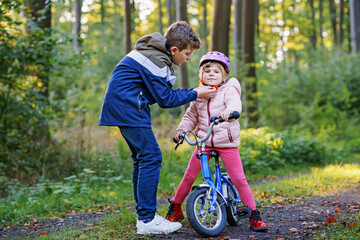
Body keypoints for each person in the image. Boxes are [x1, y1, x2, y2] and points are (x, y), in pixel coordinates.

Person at [99, 21, 216, 235]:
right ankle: (146, 219)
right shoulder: (155, 60)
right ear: (174, 50)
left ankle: (144, 215)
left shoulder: (155, 54)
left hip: (127, 107)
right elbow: (165, 99)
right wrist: (196, 92)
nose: (189, 58)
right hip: (128, 107)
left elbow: (156, 92)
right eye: (188, 54)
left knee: (142, 159)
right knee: (151, 157)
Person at [165, 51, 268, 232]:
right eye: (207, 70)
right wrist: (181, 131)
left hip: (226, 143)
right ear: (201, 75)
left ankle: (254, 214)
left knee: (238, 178)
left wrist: (230, 112)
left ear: (224, 75)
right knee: (189, 176)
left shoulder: (228, 90)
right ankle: (176, 208)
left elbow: (234, 103)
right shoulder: (198, 94)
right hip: (204, 142)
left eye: (216, 71)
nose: (211, 74)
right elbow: (191, 116)